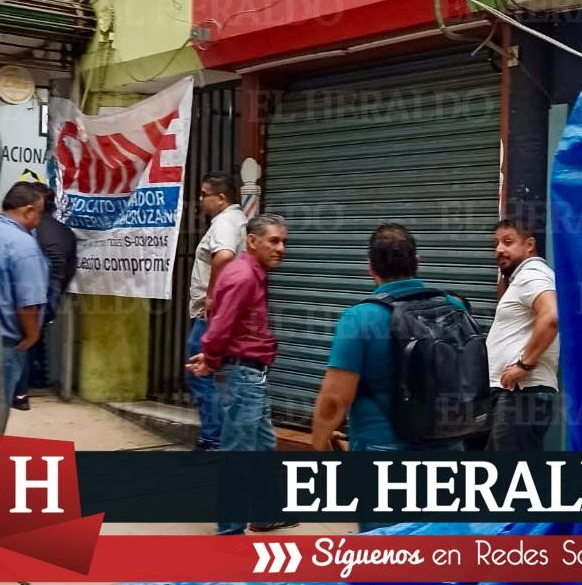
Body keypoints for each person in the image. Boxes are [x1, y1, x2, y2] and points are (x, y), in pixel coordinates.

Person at [311, 224, 470, 452]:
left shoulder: (359, 318)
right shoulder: (454, 308)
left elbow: (335, 400)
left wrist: (319, 444)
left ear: (370, 268)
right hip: (449, 446)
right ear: (417, 260)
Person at [186, 213, 295, 535]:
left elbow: (227, 325)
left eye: (284, 242)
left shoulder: (250, 273)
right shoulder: (244, 276)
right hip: (241, 376)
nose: (281, 248)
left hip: (250, 375)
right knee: (239, 453)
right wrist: (212, 357)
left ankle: (264, 514)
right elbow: (220, 326)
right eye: (274, 241)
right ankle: (230, 531)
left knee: (263, 445)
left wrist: (212, 357)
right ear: (251, 241)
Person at [485, 217, 560, 451]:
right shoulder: (523, 277)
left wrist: (524, 365)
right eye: (496, 243)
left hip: (521, 395)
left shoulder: (532, 274)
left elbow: (551, 315)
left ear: (529, 245)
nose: (499, 249)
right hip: (516, 395)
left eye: (508, 242)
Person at [185, 173, 247, 449]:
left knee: (199, 371)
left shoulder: (224, 222)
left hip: (213, 315)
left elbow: (223, 256)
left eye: (204, 194)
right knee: (220, 375)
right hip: (229, 311)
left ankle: (213, 438)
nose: (200, 200)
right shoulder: (239, 220)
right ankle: (223, 437)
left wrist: (211, 296)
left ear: (221, 198)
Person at [0, 183, 49, 407]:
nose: (40, 219)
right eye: (40, 212)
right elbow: (28, 304)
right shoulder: (24, 245)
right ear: (28, 211)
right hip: (5, 344)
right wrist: (32, 336)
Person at [11, 183, 77, 410]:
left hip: (33, 290)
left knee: (23, 340)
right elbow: (70, 268)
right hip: (54, 291)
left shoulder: (29, 232)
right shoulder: (65, 232)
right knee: (33, 336)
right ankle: (33, 381)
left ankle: (20, 392)